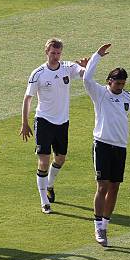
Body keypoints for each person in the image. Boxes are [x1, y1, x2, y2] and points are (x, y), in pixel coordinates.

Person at [20, 38, 87, 214]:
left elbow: (82, 73)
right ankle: (44, 201)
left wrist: (86, 67)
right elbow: (28, 98)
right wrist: (25, 123)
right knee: (43, 161)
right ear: (46, 52)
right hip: (44, 121)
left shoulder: (67, 67)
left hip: (62, 122)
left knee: (60, 159)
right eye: (52, 53)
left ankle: (49, 185)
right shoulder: (38, 73)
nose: (55, 56)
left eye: (58, 53)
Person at [82, 43, 130, 247]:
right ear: (109, 81)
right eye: (117, 83)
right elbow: (86, 78)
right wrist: (97, 56)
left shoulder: (129, 98)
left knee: (115, 187)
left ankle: (105, 224)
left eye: (122, 83)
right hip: (102, 144)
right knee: (102, 185)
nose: (120, 87)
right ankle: (98, 226)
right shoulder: (100, 94)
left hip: (120, 147)